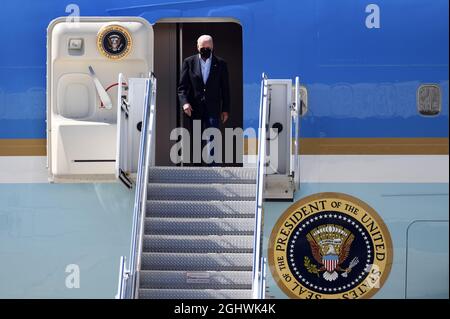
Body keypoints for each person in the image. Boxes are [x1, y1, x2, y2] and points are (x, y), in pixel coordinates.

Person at [177, 35, 230, 165]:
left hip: (213, 107)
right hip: (194, 108)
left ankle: (213, 169)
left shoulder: (221, 64)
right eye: (202, 47)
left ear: (212, 47)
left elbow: (225, 88)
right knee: (196, 139)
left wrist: (225, 109)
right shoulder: (189, 62)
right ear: (197, 47)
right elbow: (182, 87)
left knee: (213, 137)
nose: (205, 50)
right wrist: (185, 103)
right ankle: (196, 169)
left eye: (208, 47)